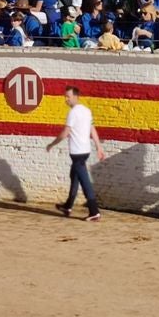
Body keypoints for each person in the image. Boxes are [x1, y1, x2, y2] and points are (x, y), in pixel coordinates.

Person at [46, 86, 106, 221]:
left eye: (68, 96)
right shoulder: (86, 111)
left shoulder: (73, 113)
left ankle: (94, 211)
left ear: (76, 96)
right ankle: (67, 206)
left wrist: (52, 144)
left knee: (85, 182)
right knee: (74, 176)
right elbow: (92, 129)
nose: (66, 99)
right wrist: (98, 147)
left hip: (77, 153)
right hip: (85, 151)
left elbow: (65, 133)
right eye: (65, 97)